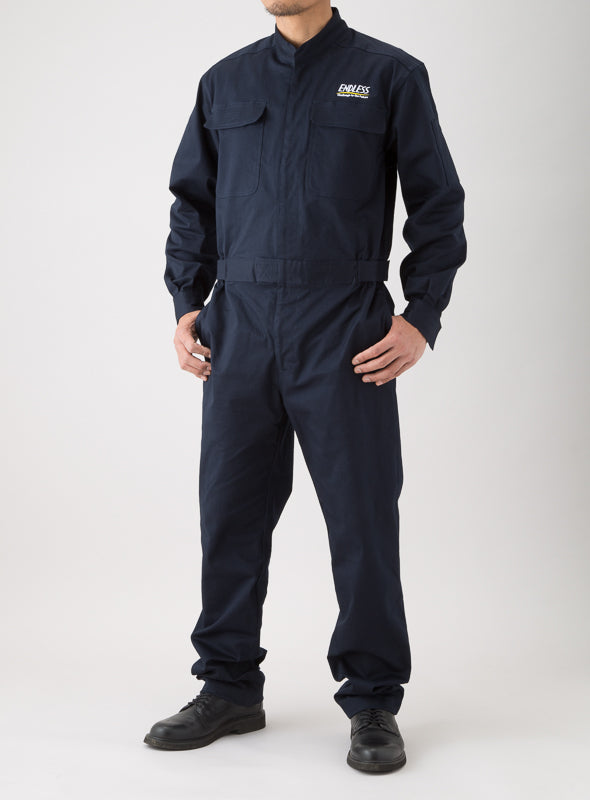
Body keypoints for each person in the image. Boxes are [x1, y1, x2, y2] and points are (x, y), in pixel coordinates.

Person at [144, 1, 467, 773]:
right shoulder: (225, 82)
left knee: (361, 518)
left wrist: (421, 317)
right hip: (240, 326)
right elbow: (193, 202)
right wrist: (187, 303)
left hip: (344, 326)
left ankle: (373, 699)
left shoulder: (388, 75)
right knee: (229, 512)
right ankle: (228, 685)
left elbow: (438, 201)